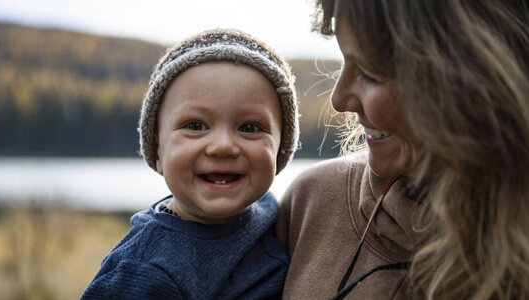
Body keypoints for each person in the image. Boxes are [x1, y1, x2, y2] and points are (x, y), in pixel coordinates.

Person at [277, 0, 529, 299]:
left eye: (370, 72)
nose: (339, 100)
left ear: (475, 80)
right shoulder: (311, 203)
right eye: (343, 60)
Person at [81, 28, 299, 299]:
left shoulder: (272, 210)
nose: (223, 146)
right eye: (195, 126)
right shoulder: (144, 271)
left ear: (280, 149)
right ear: (157, 150)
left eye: (250, 127)